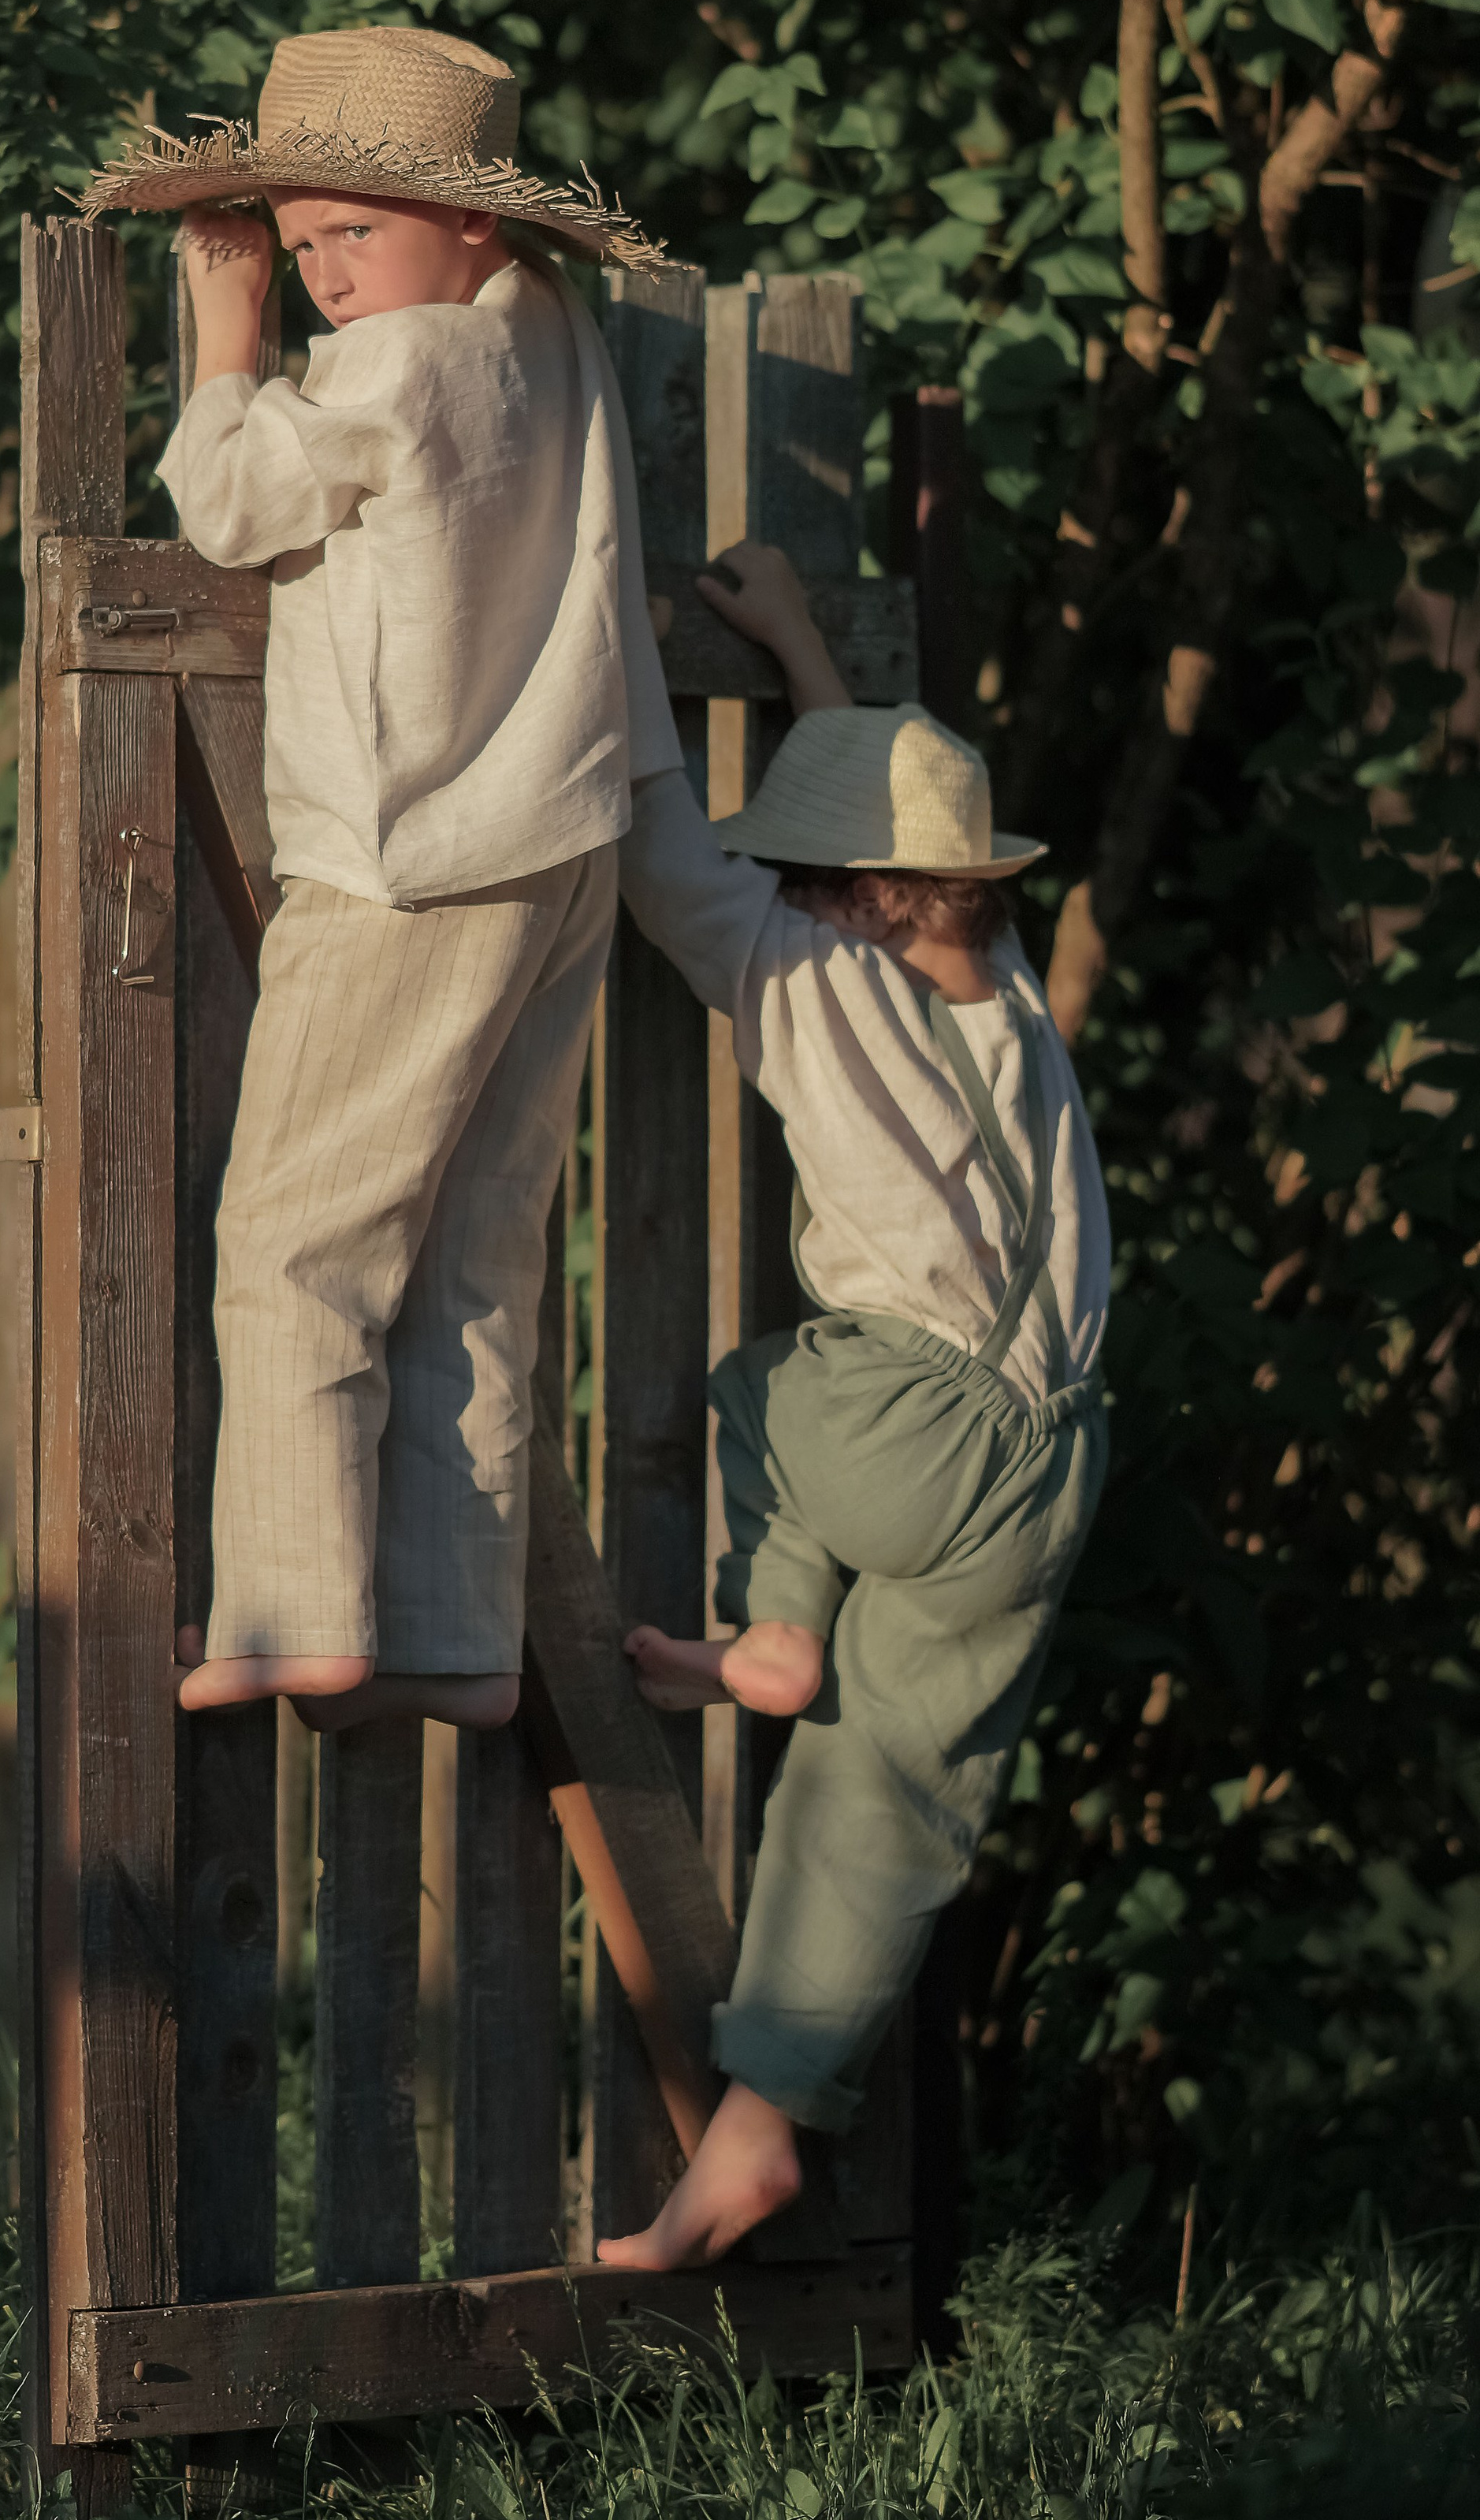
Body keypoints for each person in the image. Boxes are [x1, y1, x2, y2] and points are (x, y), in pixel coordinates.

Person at [80, 25, 679, 1733]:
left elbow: (226, 504)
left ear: (473, 227)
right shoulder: (551, 345)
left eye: (358, 233)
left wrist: (220, 334)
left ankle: (290, 1609)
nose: (328, 272)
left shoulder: (389, 367)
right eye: (301, 243)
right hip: (557, 836)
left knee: (293, 1237)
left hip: (403, 864)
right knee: (477, 1245)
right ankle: (449, 1634)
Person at [597, 545, 1111, 2269]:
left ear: (867, 899)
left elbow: (670, 857)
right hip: (1055, 1455)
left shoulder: (802, 971)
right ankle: (758, 2129)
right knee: (885, 1800)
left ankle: (771, 1624)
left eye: (811, 876)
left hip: (908, 1420)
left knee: (763, 1383)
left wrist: (589, 635)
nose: (790, 894)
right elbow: (880, 821)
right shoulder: (1013, 991)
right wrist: (803, 643)